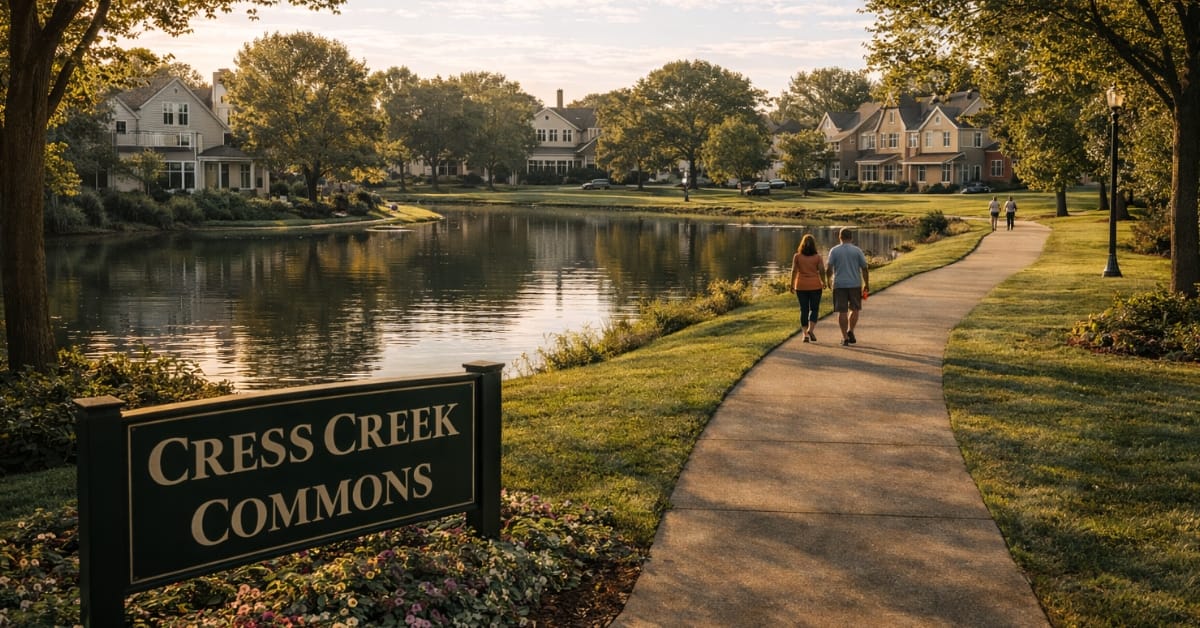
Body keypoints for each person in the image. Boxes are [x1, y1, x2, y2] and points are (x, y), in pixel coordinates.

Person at [825, 227, 870, 347]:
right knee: (855, 309)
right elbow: (864, 268)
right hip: (855, 283)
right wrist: (866, 283)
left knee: (842, 311)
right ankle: (851, 330)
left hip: (839, 284)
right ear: (851, 237)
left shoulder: (834, 251)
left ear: (840, 237)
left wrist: (828, 280)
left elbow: (829, 268)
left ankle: (845, 337)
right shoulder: (857, 251)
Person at [789, 234, 827, 342]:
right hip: (815, 285)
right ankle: (811, 329)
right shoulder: (817, 257)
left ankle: (805, 334)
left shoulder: (797, 256)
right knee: (814, 309)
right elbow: (822, 271)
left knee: (804, 309)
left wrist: (791, 285)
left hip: (801, 286)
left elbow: (794, 271)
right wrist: (823, 282)